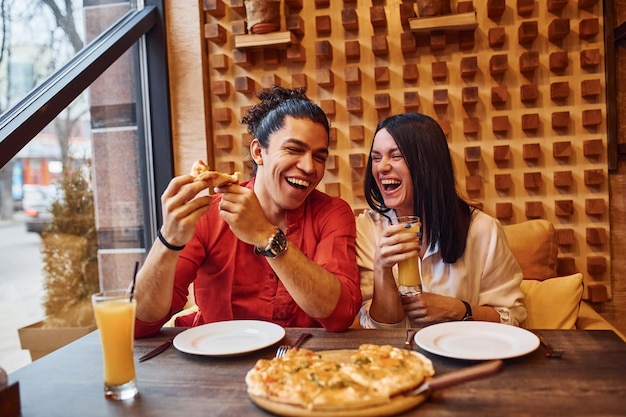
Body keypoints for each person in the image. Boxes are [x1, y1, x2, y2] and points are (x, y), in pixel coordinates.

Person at [134, 86, 361, 337]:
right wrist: (168, 240)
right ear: (258, 152)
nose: (309, 167)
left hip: (299, 365)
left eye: (319, 157)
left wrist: (266, 235)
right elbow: (139, 323)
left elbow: (340, 314)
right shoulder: (210, 214)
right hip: (216, 360)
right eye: (294, 150)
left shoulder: (333, 213)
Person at [356, 113, 526, 328]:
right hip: (396, 357)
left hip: (462, 356)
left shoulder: (483, 230)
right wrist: (382, 268)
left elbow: (512, 318)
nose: (381, 168)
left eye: (396, 155)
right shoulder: (366, 229)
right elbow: (376, 331)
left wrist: (460, 310)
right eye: (376, 158)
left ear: (427, 163)